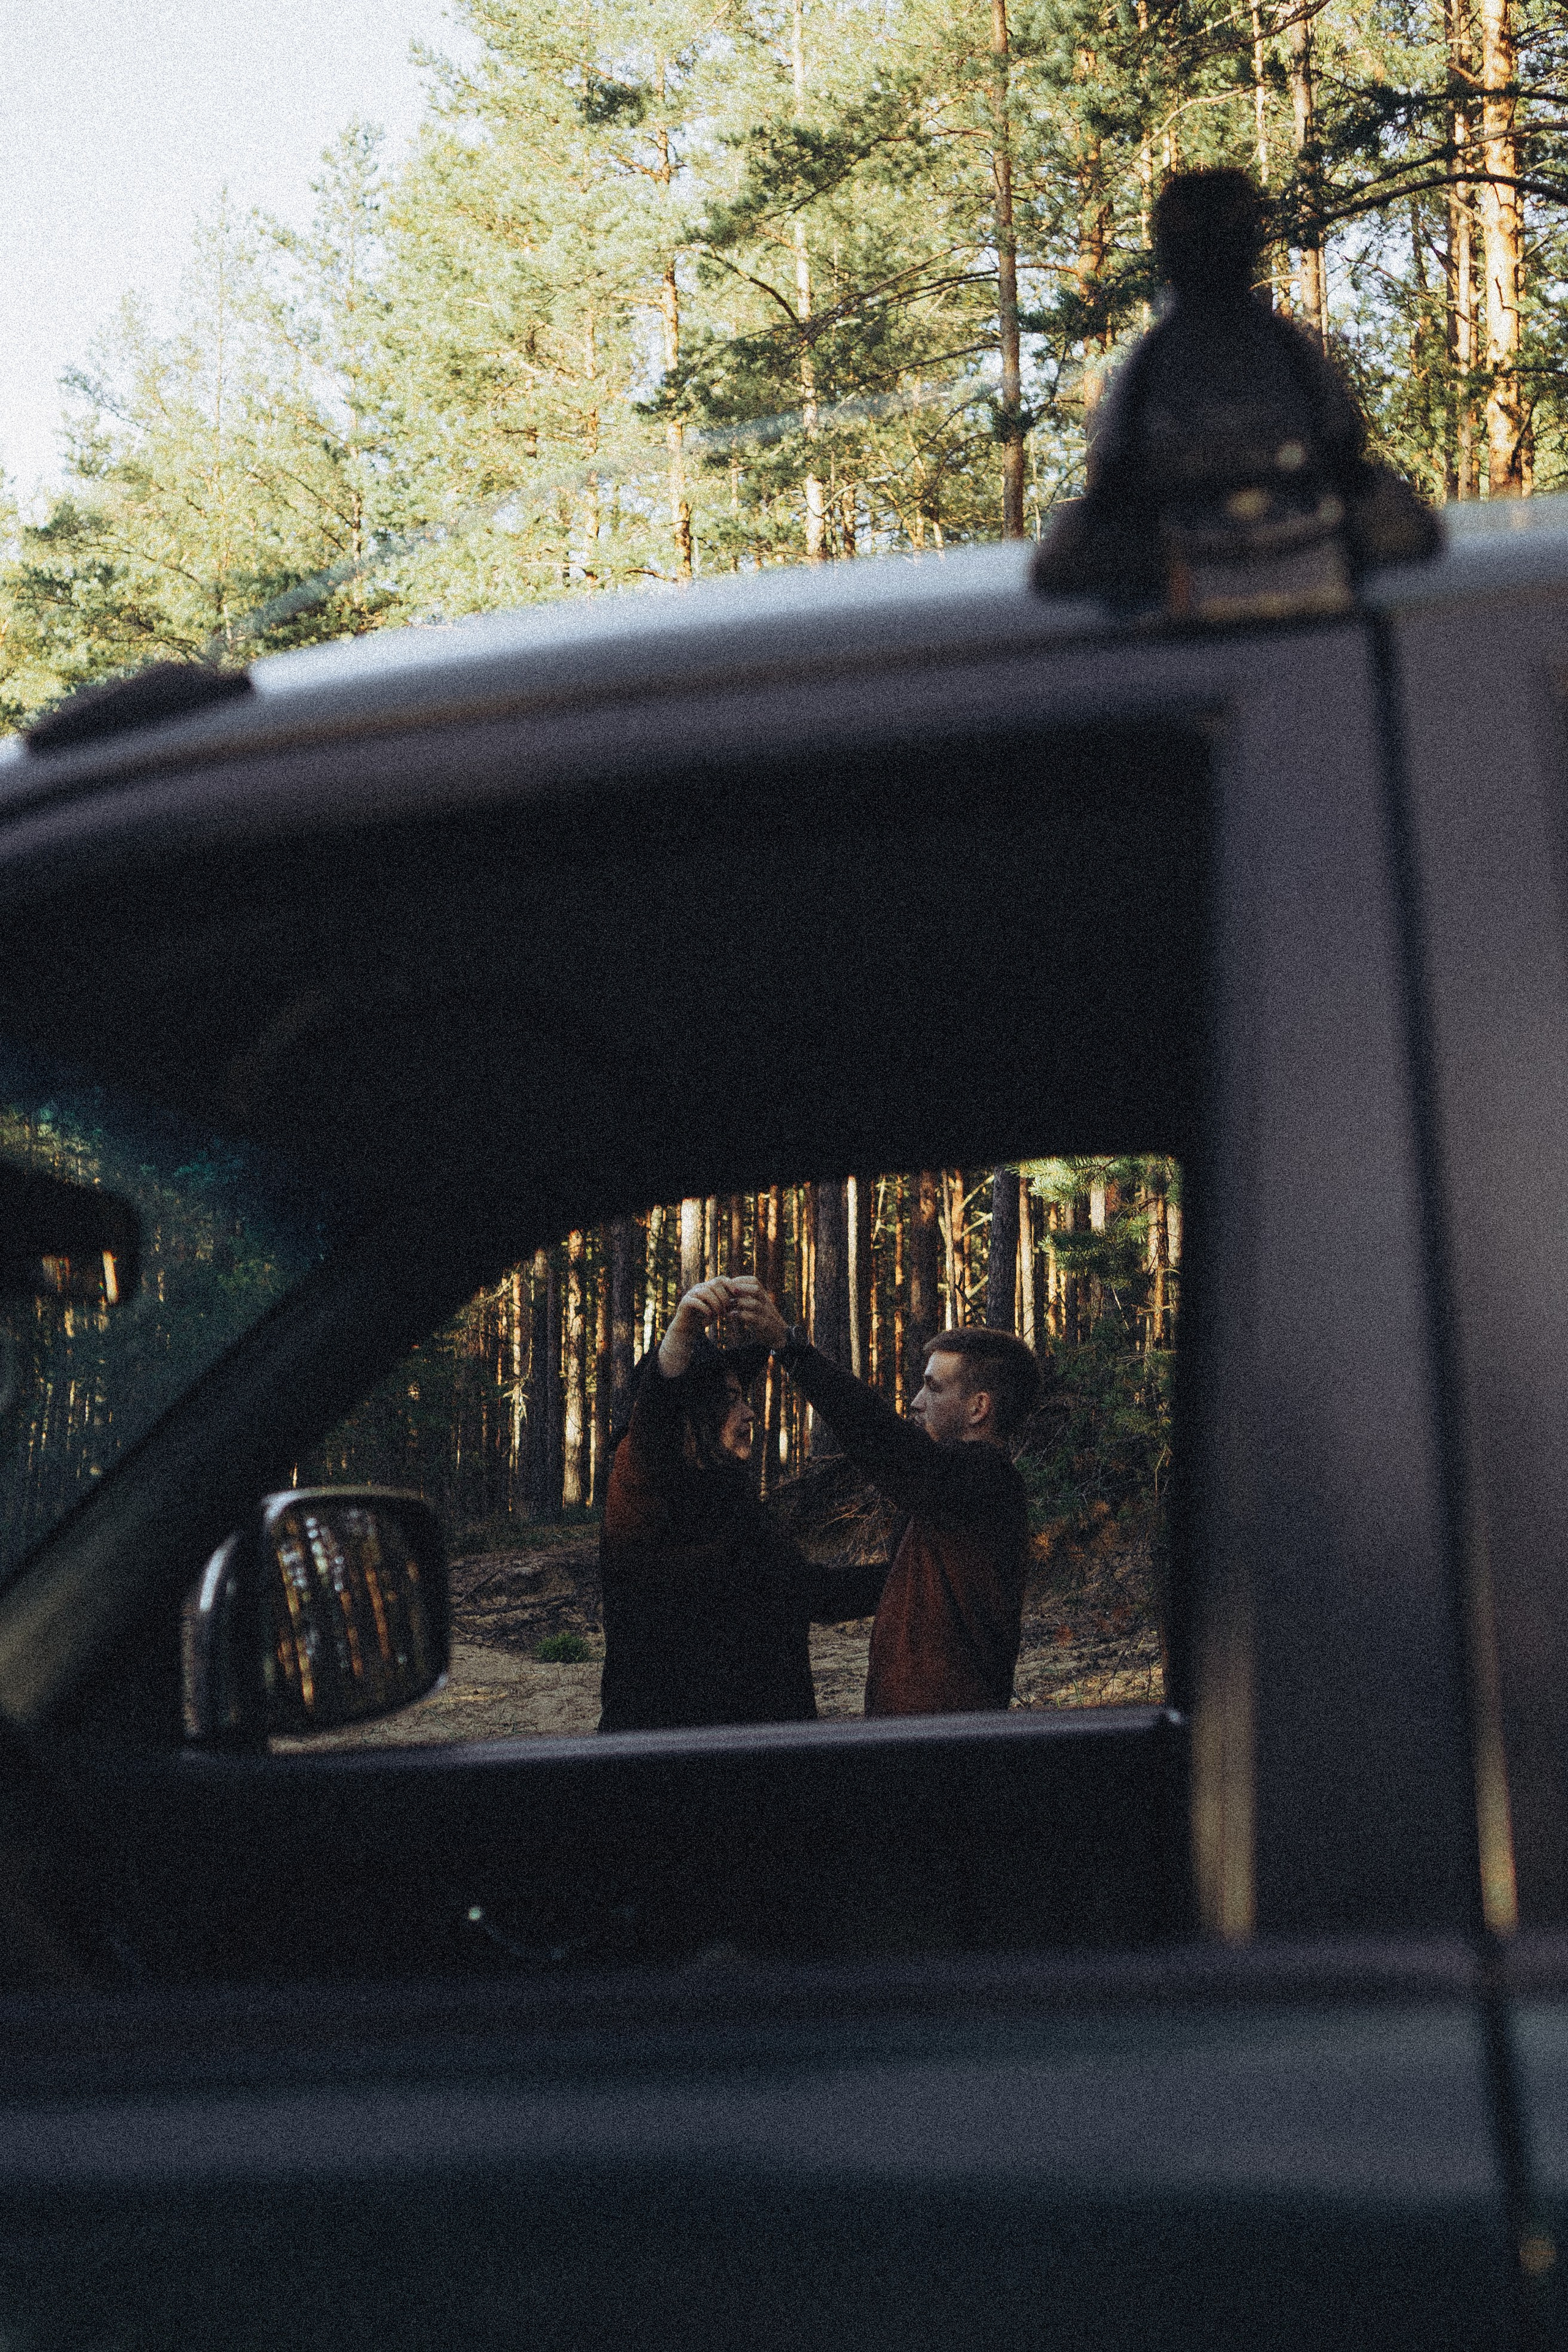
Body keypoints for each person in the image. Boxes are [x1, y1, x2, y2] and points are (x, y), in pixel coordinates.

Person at [730, 1278, 1038, 1716]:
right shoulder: (944, 1496)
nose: (915, 1402)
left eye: (933, 1388)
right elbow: (882, 1587)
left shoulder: (988, 1481)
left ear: (978, 1408)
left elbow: (886, 1443)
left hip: (953, 1749)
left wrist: (790, 1348)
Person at [598, 1276, 886, 1733]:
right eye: (730, 1400)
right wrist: (683, 1331)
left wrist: (906, 1570)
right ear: (692, 1413)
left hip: (762, 1749)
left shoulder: (734, 1502)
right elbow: (656, 1418)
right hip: (665, 1757)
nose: (750, 1413)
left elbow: (808, 1593)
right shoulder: (644, 1490)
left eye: (745, 1399)